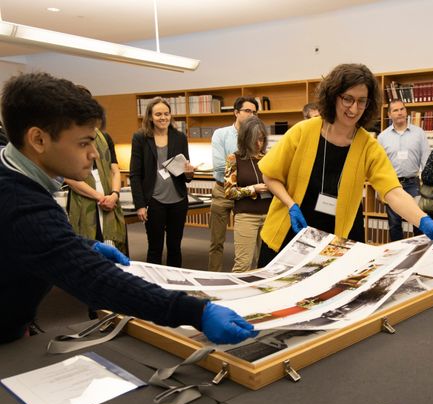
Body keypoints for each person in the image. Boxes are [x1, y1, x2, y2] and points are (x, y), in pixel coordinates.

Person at [0, 72, 257, 345]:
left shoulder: (13, 176)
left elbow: (28, 239)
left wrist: (84, 247)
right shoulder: (20, 201)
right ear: (38, 140)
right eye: (84, 142)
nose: (94, 154)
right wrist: (196, 312)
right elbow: (94, 280)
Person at [256, 63, 433, 267]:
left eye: (361, 101)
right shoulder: (303, 131)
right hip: (291, 232)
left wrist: (423, 220)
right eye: (347, 99)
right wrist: (290, 204)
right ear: (333, 96)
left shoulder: (368, 145)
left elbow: (393, 192)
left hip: (335, 240)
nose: (354, 108)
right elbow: (270, 175)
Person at [130, 97, 195, 267]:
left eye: (166, 114)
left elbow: (184, 172)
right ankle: (155, 287)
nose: (163, 117)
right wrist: (140, 205)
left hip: (178, 200)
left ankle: (176, 285)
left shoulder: (179, 137)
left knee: (175, 247)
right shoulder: (140, 138)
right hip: (154, 201)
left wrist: (189, 173)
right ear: (150, 117)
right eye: (158, 114)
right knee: (155, 248)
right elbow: (135, 174)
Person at [209, 96, 259, 271]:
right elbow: (219, 165)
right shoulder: (221, 134)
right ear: (236, 112)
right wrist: (245, 169)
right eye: (247, 111)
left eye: (254, 112)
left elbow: (259, 165)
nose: (251, 115)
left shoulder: (255, 136)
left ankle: (253, 277)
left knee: (251, 241)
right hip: (223, 191)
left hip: (247, 192)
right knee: (217, 241)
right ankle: (213, 276)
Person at [65, 124, 128, 255]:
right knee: (88, 250)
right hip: (84, 201)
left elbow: (115, 171)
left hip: (110, 199)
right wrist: (100, 197)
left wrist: (114, 195)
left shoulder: (104, 137)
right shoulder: (67, 139)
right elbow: (69, 177)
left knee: (112, 249)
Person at [378, 99, 430, 241]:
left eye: (402, 109)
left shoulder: (419, 133)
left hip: (414, 184)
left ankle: (419, 252)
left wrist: (427, 186)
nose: (400, 112)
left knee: (418, 221)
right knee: (394, 224)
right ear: (389, 114)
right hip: (392, 186)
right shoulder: (382, 137)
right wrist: (380, 190)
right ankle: (398, 254)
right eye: (395, 110)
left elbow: (426, 160)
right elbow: (379, 166)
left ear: (406, 111)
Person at [224, 116, 271, 272]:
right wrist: (253, 189)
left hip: (270, 215)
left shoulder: (268, 157)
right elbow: (229, 192)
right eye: (255, 140)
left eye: (262, 139)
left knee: (266, 265)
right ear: (245, 139)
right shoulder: (234, 158)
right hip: (246, 216)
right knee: (243, 264)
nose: (259, 144)